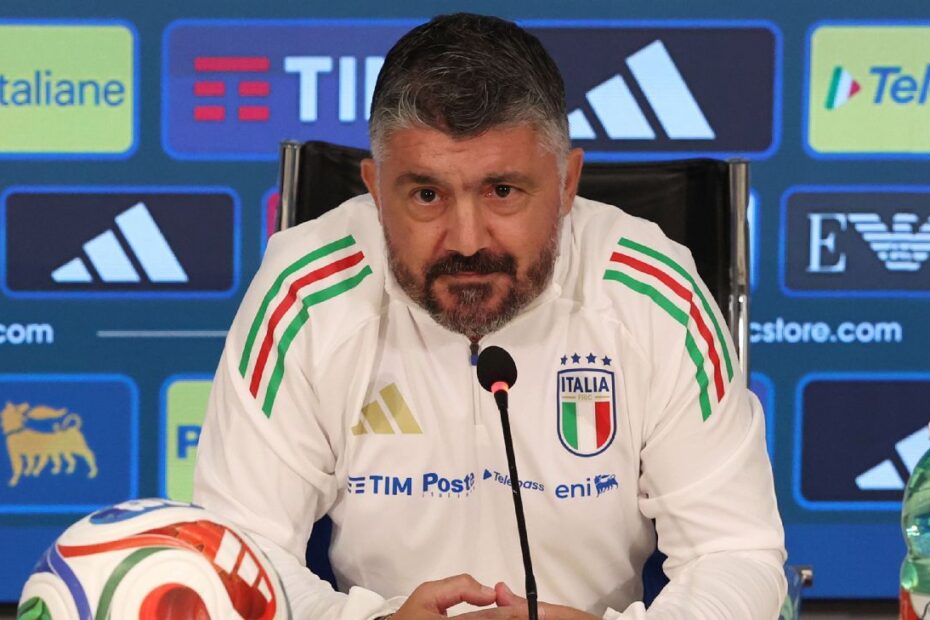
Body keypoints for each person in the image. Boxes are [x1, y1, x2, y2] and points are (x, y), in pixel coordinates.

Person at [194, 13, 786, 619]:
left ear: (567, 184)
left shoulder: (655, 294)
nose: (468, 240)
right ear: (375, 190)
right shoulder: (304, 294)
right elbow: (237, 557)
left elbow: (735, 553)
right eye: (427, 195)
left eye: (502, 191)